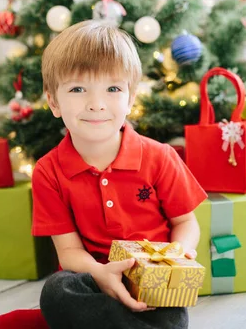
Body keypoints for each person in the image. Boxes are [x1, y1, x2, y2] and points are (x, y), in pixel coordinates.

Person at [32, 20, 208, 329]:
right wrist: (101, 274)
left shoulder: (160, 157)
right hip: (93, 278)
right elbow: (69, 251)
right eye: (77, 89)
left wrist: (176, 255)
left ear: (131, 98)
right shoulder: (48, 170)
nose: (96, 104)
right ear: (53, 102)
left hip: (150, 280)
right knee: (57, 292)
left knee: (171, 316)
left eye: (112, 88)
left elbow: (185, 222)